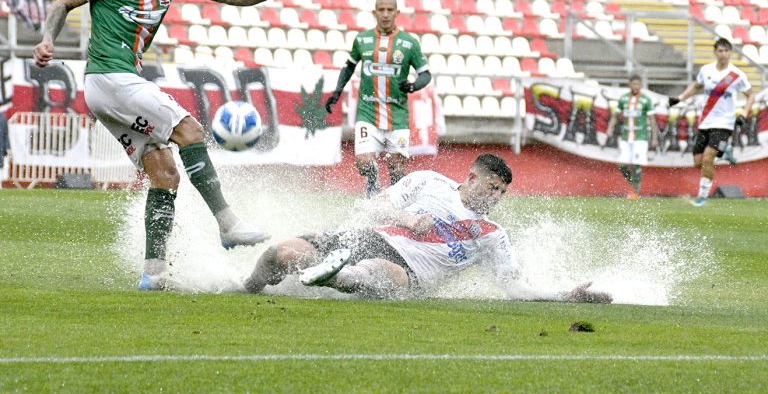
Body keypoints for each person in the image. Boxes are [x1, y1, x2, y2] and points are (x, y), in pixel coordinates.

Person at [32, 0, 287, 289]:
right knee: (190, 130)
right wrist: (47, 39)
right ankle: (228, 223)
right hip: (110, 77)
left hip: (113, 90)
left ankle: (153, 272)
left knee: (165, 173)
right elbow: (62, 4)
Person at [243, 154, 613, 303]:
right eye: (492, 187)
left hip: (409, 273)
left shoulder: (492, 234)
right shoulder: (429, 182)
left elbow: (514, 286)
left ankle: (332, 275)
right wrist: (407, 220)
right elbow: (375, 205)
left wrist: (565, 296)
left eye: (502, 192)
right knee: (282, 253)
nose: (496, 196)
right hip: (371, 238)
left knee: (377, 273)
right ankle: (245, 288)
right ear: (471, 178)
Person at [324, 0, 431, 198]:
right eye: (381, 10)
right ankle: (372, 186)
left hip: (397, 116)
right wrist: (337, 92)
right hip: (368, 112)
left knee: (397, 170)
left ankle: (396, 206)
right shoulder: (362, 39)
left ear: (397, 13)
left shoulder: (409, 43)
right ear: (374, 12)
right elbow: (348, 67)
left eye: (389, 10)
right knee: (364, 164)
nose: (385, 14)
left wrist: (413, 86)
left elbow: (426, 75)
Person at [668, 38, 755, 206]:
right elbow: (696, 86)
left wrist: (744, 112)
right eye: (720, 51)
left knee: (708, 158)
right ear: (715, 52)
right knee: (698, 162)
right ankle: (725, 149)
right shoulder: (706, 70)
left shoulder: (737, 75)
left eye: (726, 51)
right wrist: (679, 98)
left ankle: (701, 197)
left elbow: (751, 94)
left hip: (724, 123)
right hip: (705, 122)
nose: (723, 54)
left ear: (731, 53)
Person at [607, 75, 659, 199]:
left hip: (640, 137)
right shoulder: (624, 99)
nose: (636, 86)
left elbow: (652, 119)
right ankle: (633, 184)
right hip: (626, 137)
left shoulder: (646, 100)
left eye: (638, 84)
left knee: (636, 164)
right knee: (622, 164)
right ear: (630, 84)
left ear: (640, 85)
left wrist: (654, 137)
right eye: (634, 84)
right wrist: (610, 128)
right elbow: (616, 115)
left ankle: (635, 191)